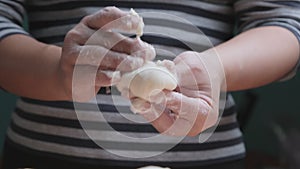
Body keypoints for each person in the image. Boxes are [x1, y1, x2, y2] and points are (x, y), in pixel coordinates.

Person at [0, 0, 299, 169]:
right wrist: (56, 71)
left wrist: (214, 69)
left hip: (203, 160)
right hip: (44, 157)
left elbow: (284, 23)